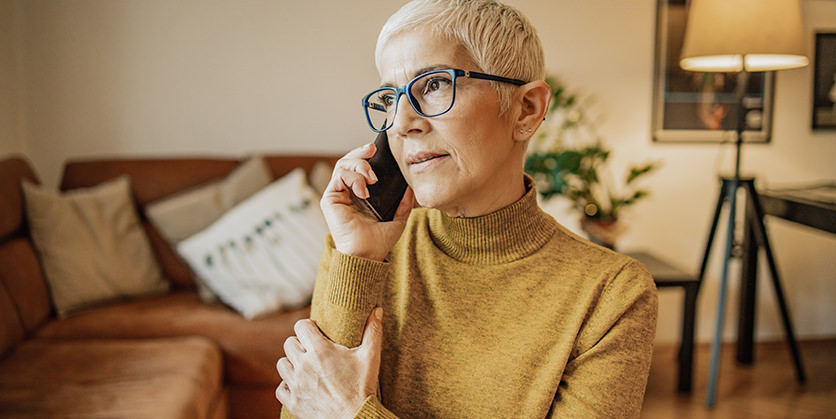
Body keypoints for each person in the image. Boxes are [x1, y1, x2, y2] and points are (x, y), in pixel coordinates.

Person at [276, 0, 658, 417]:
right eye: (390, 98)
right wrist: (359, 257)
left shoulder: (612, 294)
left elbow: (329, 408)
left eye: (435, 84)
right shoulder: (362, 249)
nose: (401, 122)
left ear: (526, 110)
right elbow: (303, 406)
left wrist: (351, 414)